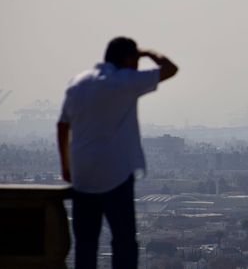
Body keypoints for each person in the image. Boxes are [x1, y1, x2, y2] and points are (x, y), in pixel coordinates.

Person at [57, 37, 178, 269]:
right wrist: (148, 52)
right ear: (128, 59)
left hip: (83, 175)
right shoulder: (125, 81)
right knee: (123, 242)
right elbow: (171, 69)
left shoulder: (77, 84)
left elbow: (62, 126)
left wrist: (66, 166)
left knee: (85, 242)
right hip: (117, 173)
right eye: (135, 61)